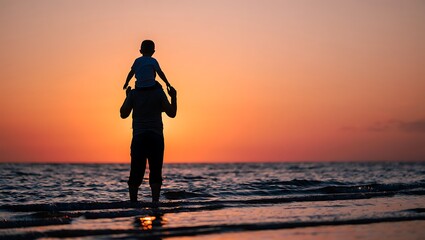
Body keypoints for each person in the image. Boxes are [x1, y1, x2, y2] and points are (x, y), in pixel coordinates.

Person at [120, 83, 177, 203]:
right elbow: (172, 113)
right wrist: (173, 97)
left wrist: (127, 97)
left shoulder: (133, 94)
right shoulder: (159, 93)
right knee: (156, 171)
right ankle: (155, 203)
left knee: (136, 172)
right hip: (155, 137)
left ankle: (133, 204)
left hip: (139, 137)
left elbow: (123, 114)